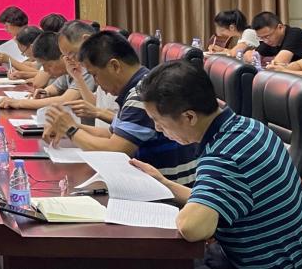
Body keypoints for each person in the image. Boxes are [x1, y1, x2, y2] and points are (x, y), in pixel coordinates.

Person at [131, 61, 302, 269]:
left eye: (158, 120)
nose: (157, 128)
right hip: (290, 256)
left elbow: (192, 228)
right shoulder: (249, 126)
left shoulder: (224, 156)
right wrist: (163, 183)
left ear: (189, 117)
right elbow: (217, 196)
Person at [43, 32, 198, 185]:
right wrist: (69, 126)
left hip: (167, 191)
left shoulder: (143, 94)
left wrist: (71, 130)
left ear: (115, 66)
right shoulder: (139, 85)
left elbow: (116, 150)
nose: (97, 83)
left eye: (95, 75)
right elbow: (111, 135)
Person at [0, 32, 97, 109]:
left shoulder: (82, 70)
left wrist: (19, 103)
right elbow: (54, 88)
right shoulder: (67, 71)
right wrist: (45, 93)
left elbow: (65, 100)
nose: (45, 70)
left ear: (63, 58)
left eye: (48, 65)